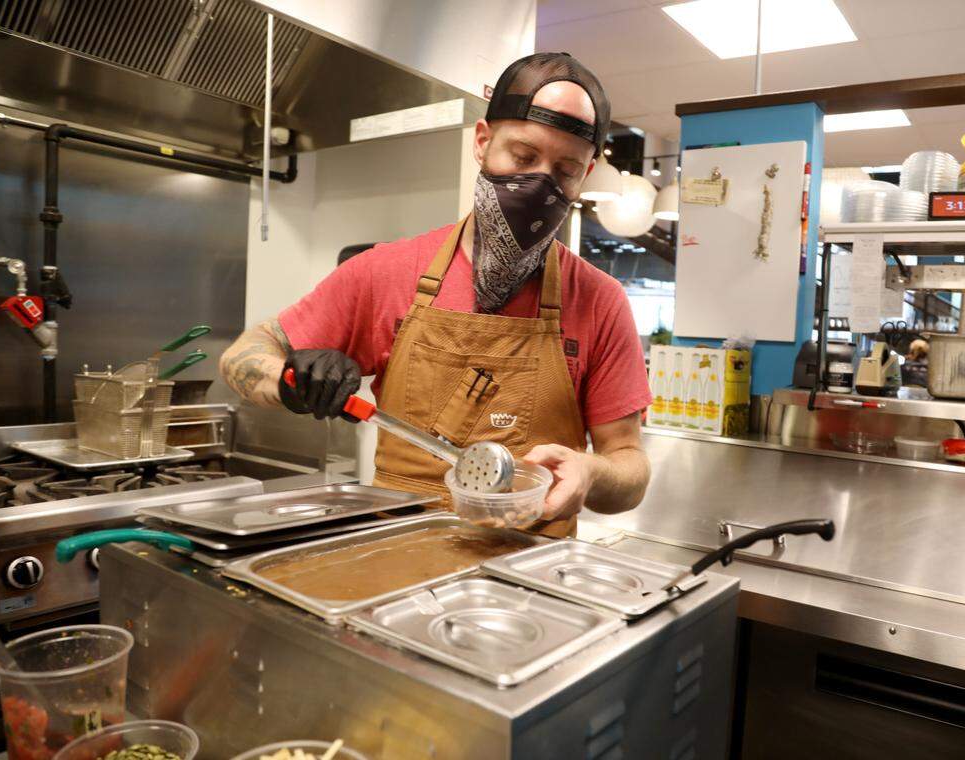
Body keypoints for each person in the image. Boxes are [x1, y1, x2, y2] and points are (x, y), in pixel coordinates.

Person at [220, 53, 652, 536]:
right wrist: (288, 380)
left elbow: (630, 469)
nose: (539, 185)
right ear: (483, 142)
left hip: (531, 568)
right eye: (523, 157)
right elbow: (242, 354)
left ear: (585, 176)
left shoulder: (599, 300)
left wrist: (592, 473)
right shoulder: (386, 272)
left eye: (565, 170)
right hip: (398, 557)